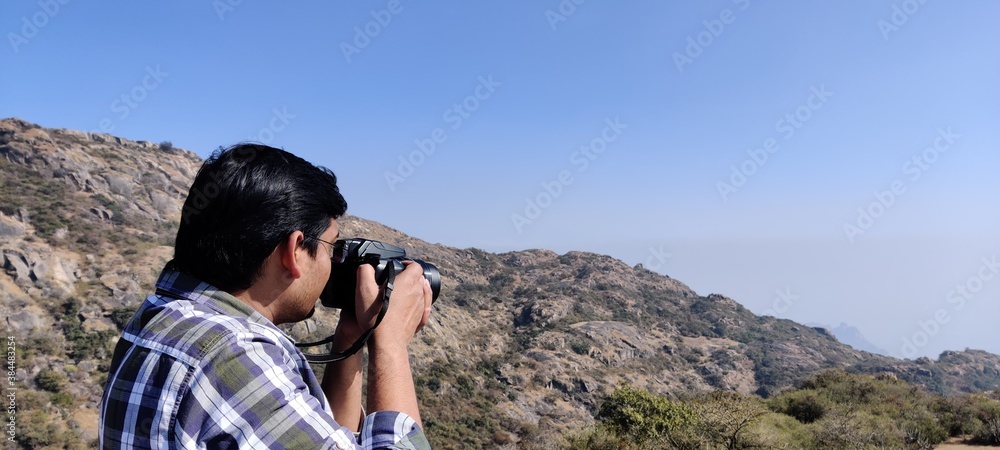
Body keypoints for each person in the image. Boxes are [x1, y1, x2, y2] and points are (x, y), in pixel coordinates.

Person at [98, 144, 433, 449]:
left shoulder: (159, 320)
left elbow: (325, 437)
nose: (332, 266)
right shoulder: (232, 354)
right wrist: (390, 344)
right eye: (331, 247)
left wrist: (350, 338)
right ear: (293, 250)